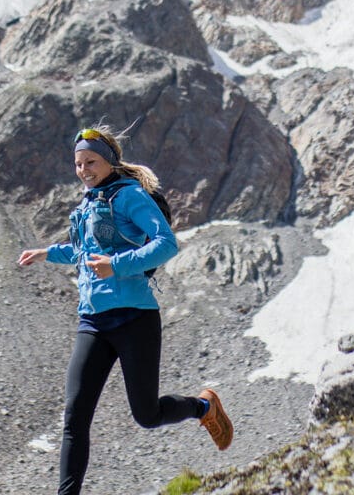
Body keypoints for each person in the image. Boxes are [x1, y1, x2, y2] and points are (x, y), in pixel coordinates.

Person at [17, 127, 233, 495]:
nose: (84, 170)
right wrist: (47, 253)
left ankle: (203, 407)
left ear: (110, 161)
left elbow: (167, 244)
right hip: (93, 322)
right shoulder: (87, 204)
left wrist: (117, 265)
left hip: (135, 318)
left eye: (91, 162)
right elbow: (84, 252)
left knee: (146, 415)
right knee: (74, 417)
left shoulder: (130, 196)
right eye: (78, 164)